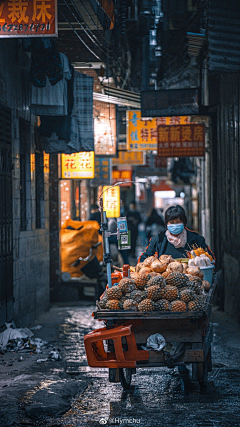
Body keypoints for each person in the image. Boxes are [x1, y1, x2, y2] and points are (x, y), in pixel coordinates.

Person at [139, 205, 215, 262]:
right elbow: (143, 260)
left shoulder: (196, 240)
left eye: (178, 222)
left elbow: (211, 259)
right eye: (171, 222)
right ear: (166, 224)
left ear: (184, 223)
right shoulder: (158, 240)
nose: (175, 225)